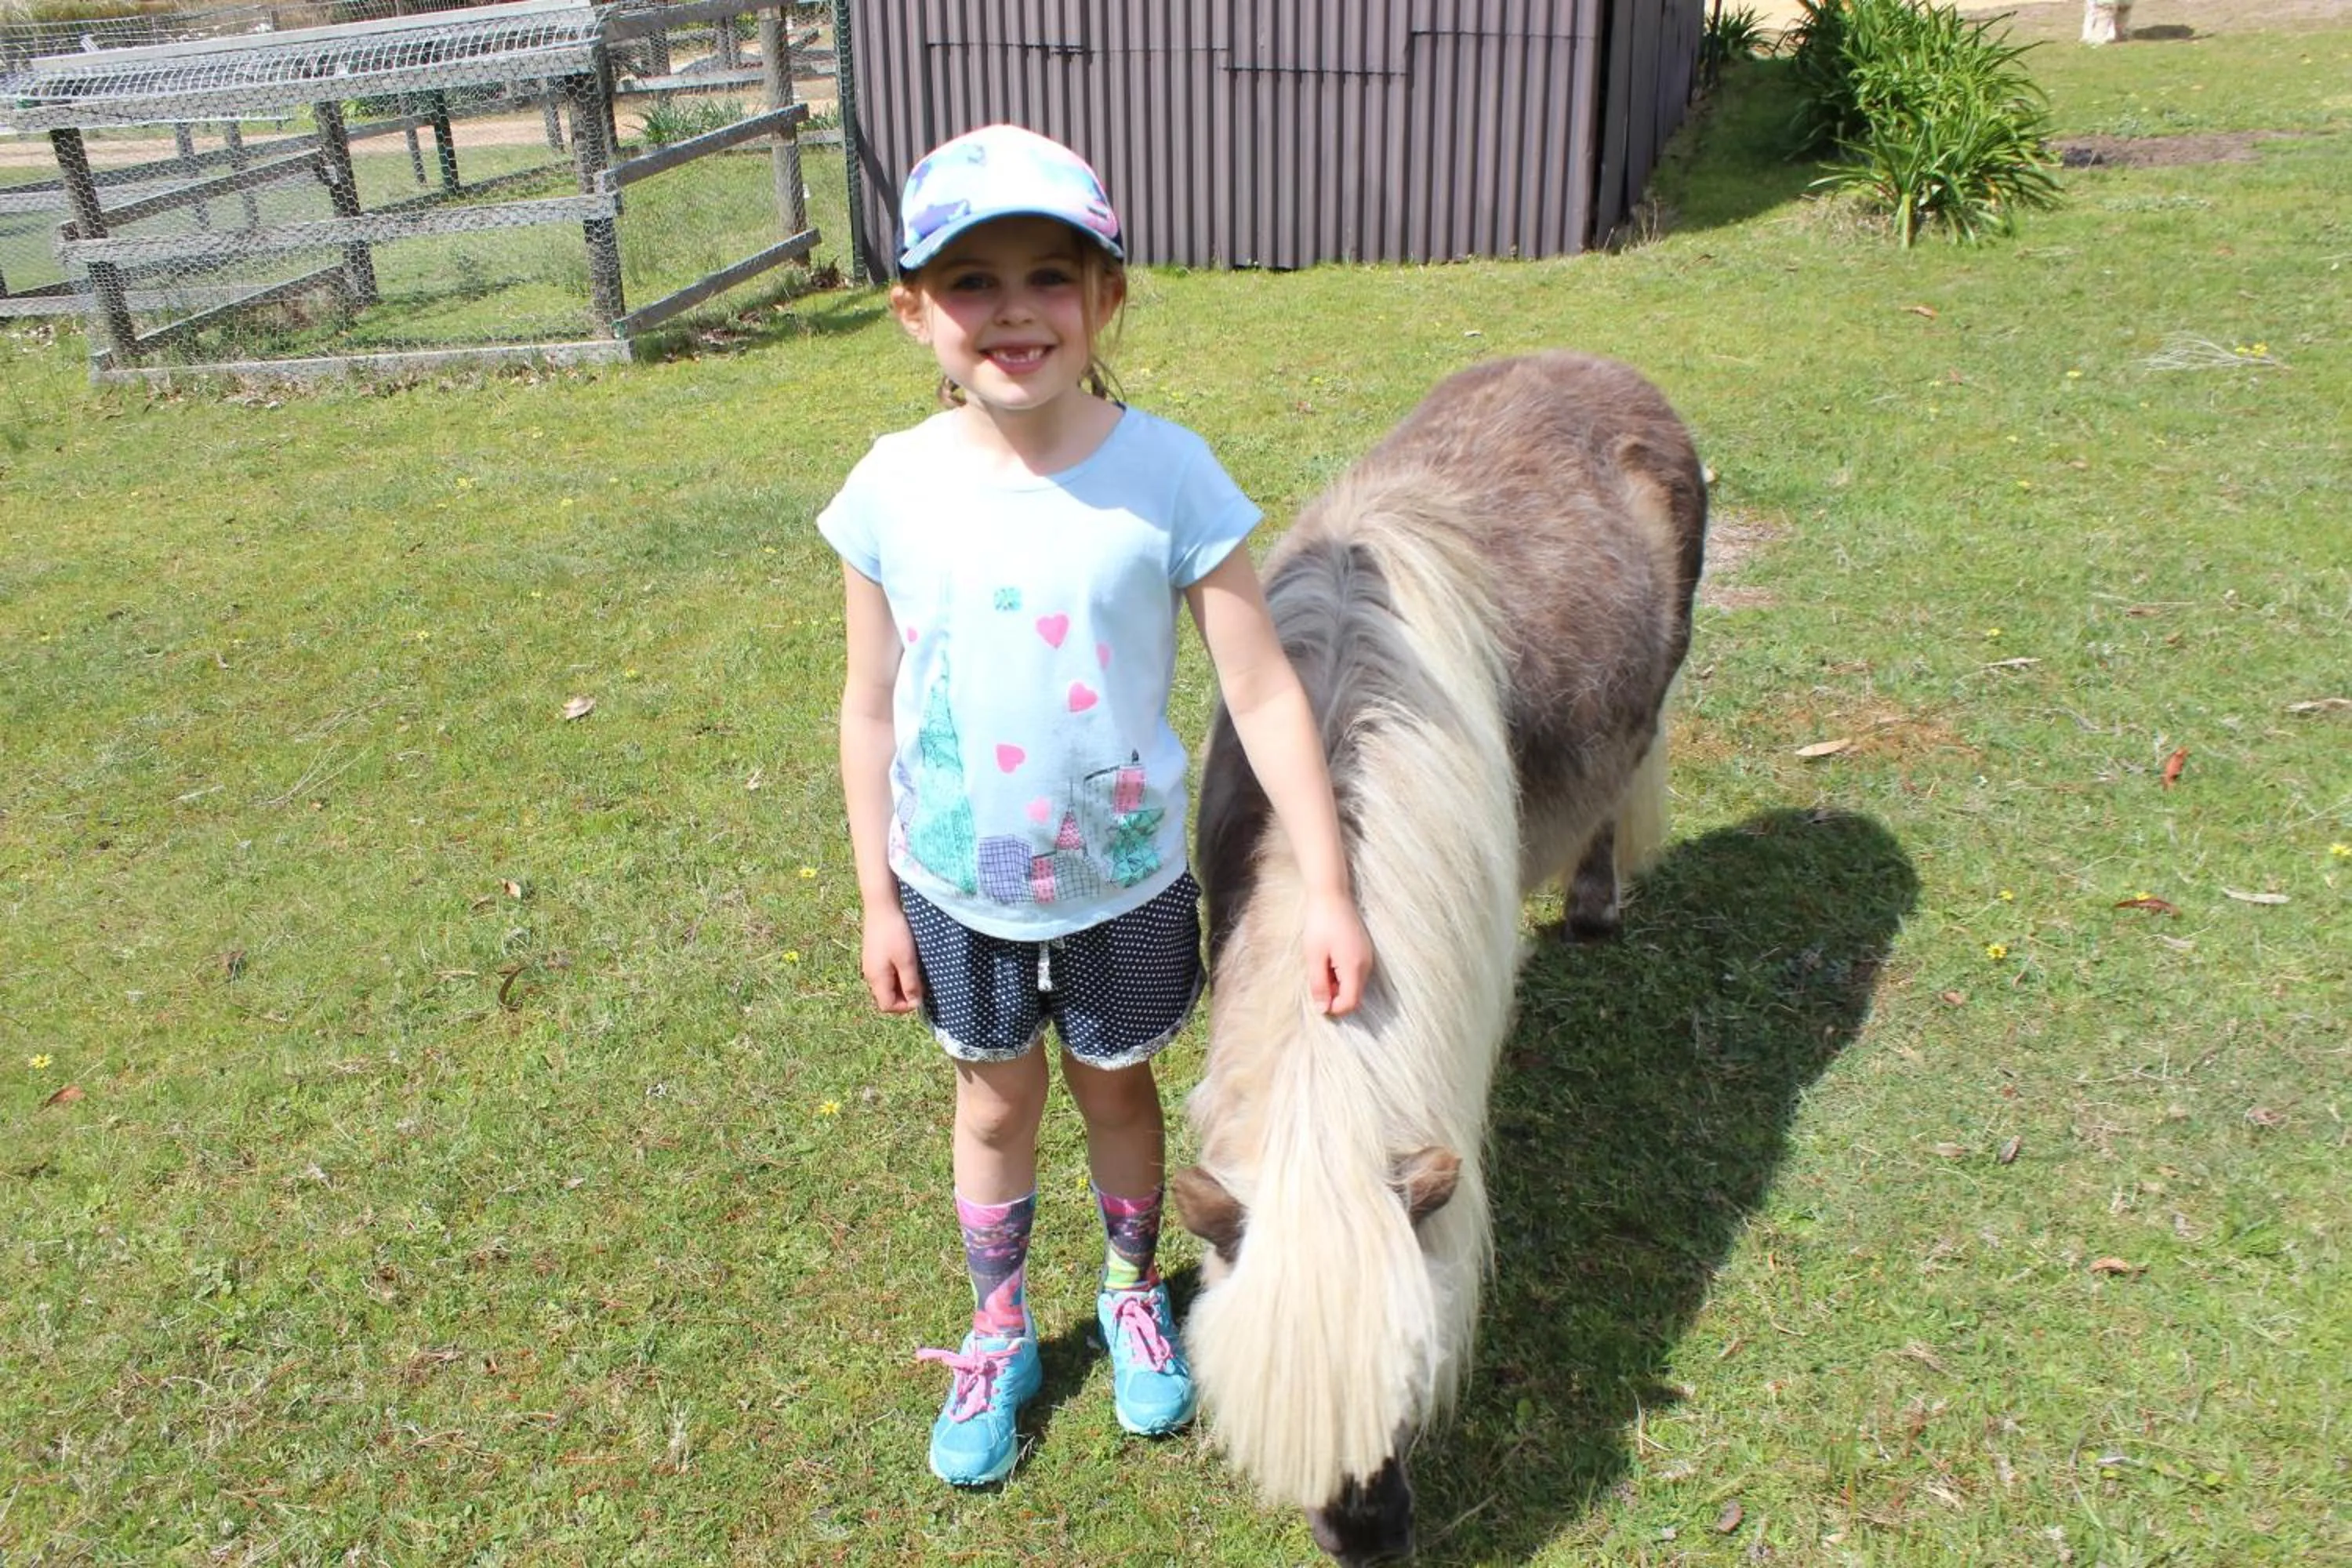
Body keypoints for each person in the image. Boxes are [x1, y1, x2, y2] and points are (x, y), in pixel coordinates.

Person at [818, 123, 1374, 1488]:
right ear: (913, 314)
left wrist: (1335, 888)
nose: (1014, 310)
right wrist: (879, 897)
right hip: (958, 893)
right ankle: (1000, 1325)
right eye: (971, 282)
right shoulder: (890, 486)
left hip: (1125, 889)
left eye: (1050, 277)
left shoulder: (1171, 475)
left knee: (1118, 1091)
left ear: (1107, 298)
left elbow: (1264, 696)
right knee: (996, 1109)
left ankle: (1132, 1288)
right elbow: (870, 705)